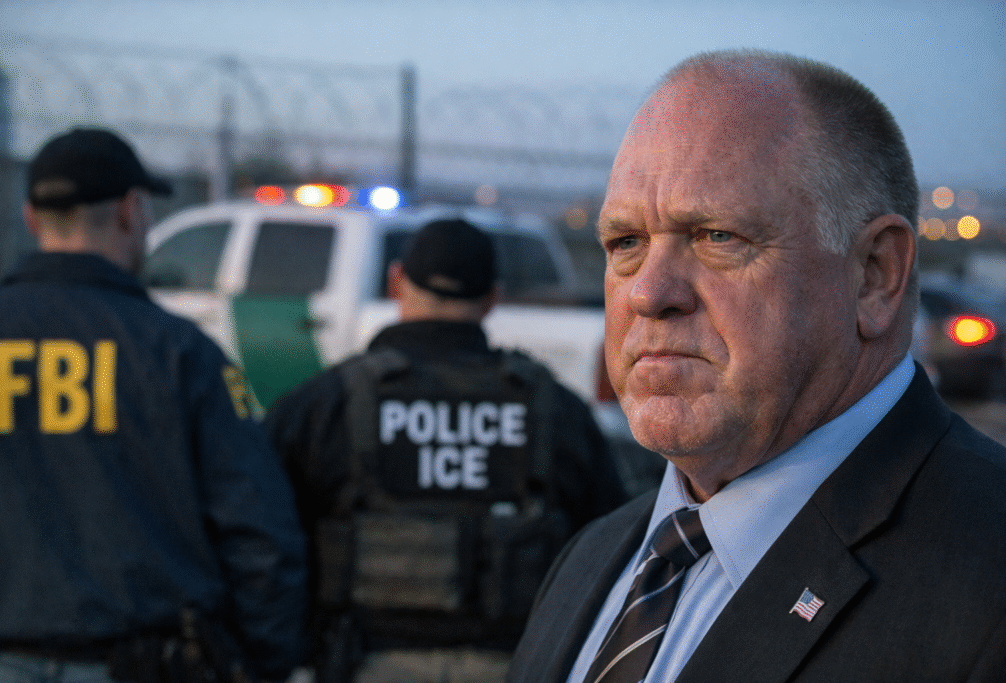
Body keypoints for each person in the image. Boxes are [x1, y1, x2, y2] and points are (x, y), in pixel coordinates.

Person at [507, 49, 1006, 683]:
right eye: (625, 243)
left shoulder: (986, 586)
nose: (648, 293)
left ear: (875, 277)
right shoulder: (592, 557)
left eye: (718, 236)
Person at [0, 127, 309, 683]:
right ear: (132, 213)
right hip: (145, 663)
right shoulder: (181, 354)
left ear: (32, 219)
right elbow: (259, 533)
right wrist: (265, 662)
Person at [266, 218, 628, 683]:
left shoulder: (324, 403)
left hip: (363, 661)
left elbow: (264, 536)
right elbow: (609, 544)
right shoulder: (555, 410)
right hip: (514, 663)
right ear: (493, 298)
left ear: (397, 282)